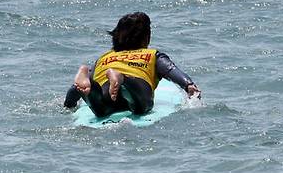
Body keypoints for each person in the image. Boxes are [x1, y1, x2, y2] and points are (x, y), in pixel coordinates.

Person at [64, 12, 201, 117]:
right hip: (136, 83)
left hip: (106, 86)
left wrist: (69, 104)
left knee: (101, 109)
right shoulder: (152, 55)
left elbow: (74, 90)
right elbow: (171, 70)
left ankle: (90, 87)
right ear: (147, 38)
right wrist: (188, 85)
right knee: (141, 106)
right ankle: (123, 79)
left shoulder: (104, 58)